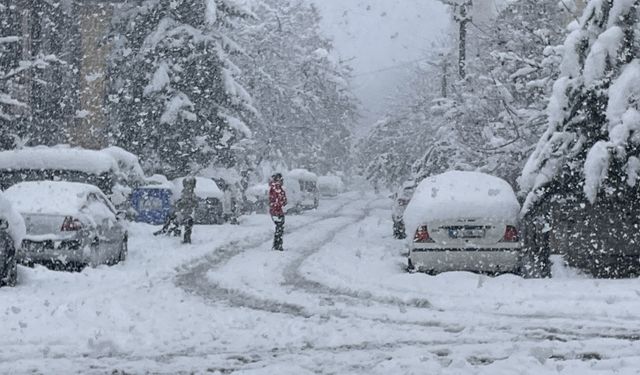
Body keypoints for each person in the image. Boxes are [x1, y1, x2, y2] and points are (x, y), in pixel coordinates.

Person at [175, 177, 198, 244]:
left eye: (190, 184)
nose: (189, 186)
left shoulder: (190, 193)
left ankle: (187, 239)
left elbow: (194, 202)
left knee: (188, 226)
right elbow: (181, 201)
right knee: (187, 226)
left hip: (187, 212)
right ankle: (186, 239)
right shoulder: (187, 193)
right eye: (188, 184)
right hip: (186, 212)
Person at [269, 173, 287, 251]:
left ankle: (277, 244)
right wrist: (281, 203)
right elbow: (277, 200)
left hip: (277, 211)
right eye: (281, 179)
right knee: (279, 228)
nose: (282, 181)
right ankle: (278, 245)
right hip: (277, 211)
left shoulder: (277, 188)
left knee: (279, 228)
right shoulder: (276, 188)